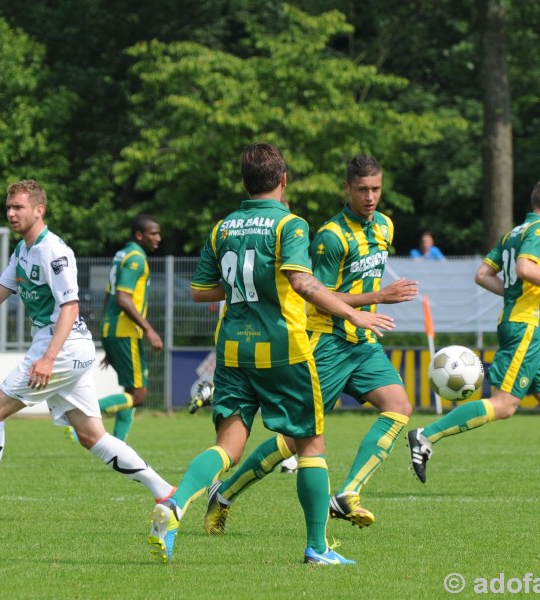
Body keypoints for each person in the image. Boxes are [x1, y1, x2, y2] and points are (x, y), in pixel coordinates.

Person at [147, 143, 395, 566]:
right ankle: (317, 547)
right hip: (283, 350)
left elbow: (200, 290)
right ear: (283, 181)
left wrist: (247, 284)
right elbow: (303, 284)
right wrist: (355, 313)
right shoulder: (291, 225)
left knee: (228, 445)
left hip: (232, 350)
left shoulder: (222, 228)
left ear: (244, 183)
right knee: (310, 444)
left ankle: (174, 506)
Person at [0, 179, 174, 522]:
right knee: (92, 436)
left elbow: (70, 307)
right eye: (9, 207)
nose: (11, 213)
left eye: (18, 207)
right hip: (67, 347)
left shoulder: (53, 251)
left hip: (60, 345)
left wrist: (47, 358)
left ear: (38, 210)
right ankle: (165, 491)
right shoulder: (22, 250)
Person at [203, 155, 419, 534]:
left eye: (376, 189)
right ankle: (224, 495)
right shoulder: (330, 238)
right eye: (362, 190)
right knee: (293, 439)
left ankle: (349, 493)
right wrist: (376, 299)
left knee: (399, 406)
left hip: (361, 341)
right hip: (326, 340)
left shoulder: (385, 226)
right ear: (347, 189)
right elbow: (314, 294)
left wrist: (369, 308)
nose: (370, 197)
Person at [407, 176, 540, 499]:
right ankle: (425, 435)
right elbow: (526, 268)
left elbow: (482, 275)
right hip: (526, 328)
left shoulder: (513, 232)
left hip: (530, 331)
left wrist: (513, 294)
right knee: (503, 406)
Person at [95, 215, 163, 441]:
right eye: (153, 234)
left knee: (130, 392)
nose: (158, 238)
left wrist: (109, 339)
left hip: (113, 330)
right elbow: (124, 299)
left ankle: (117, 444)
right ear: (139, 235)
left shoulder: (121, 255)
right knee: (140, 395)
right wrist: (149, 330)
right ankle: (86, 413)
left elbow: (109, 295)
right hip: (125, 332)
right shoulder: (136, 258)